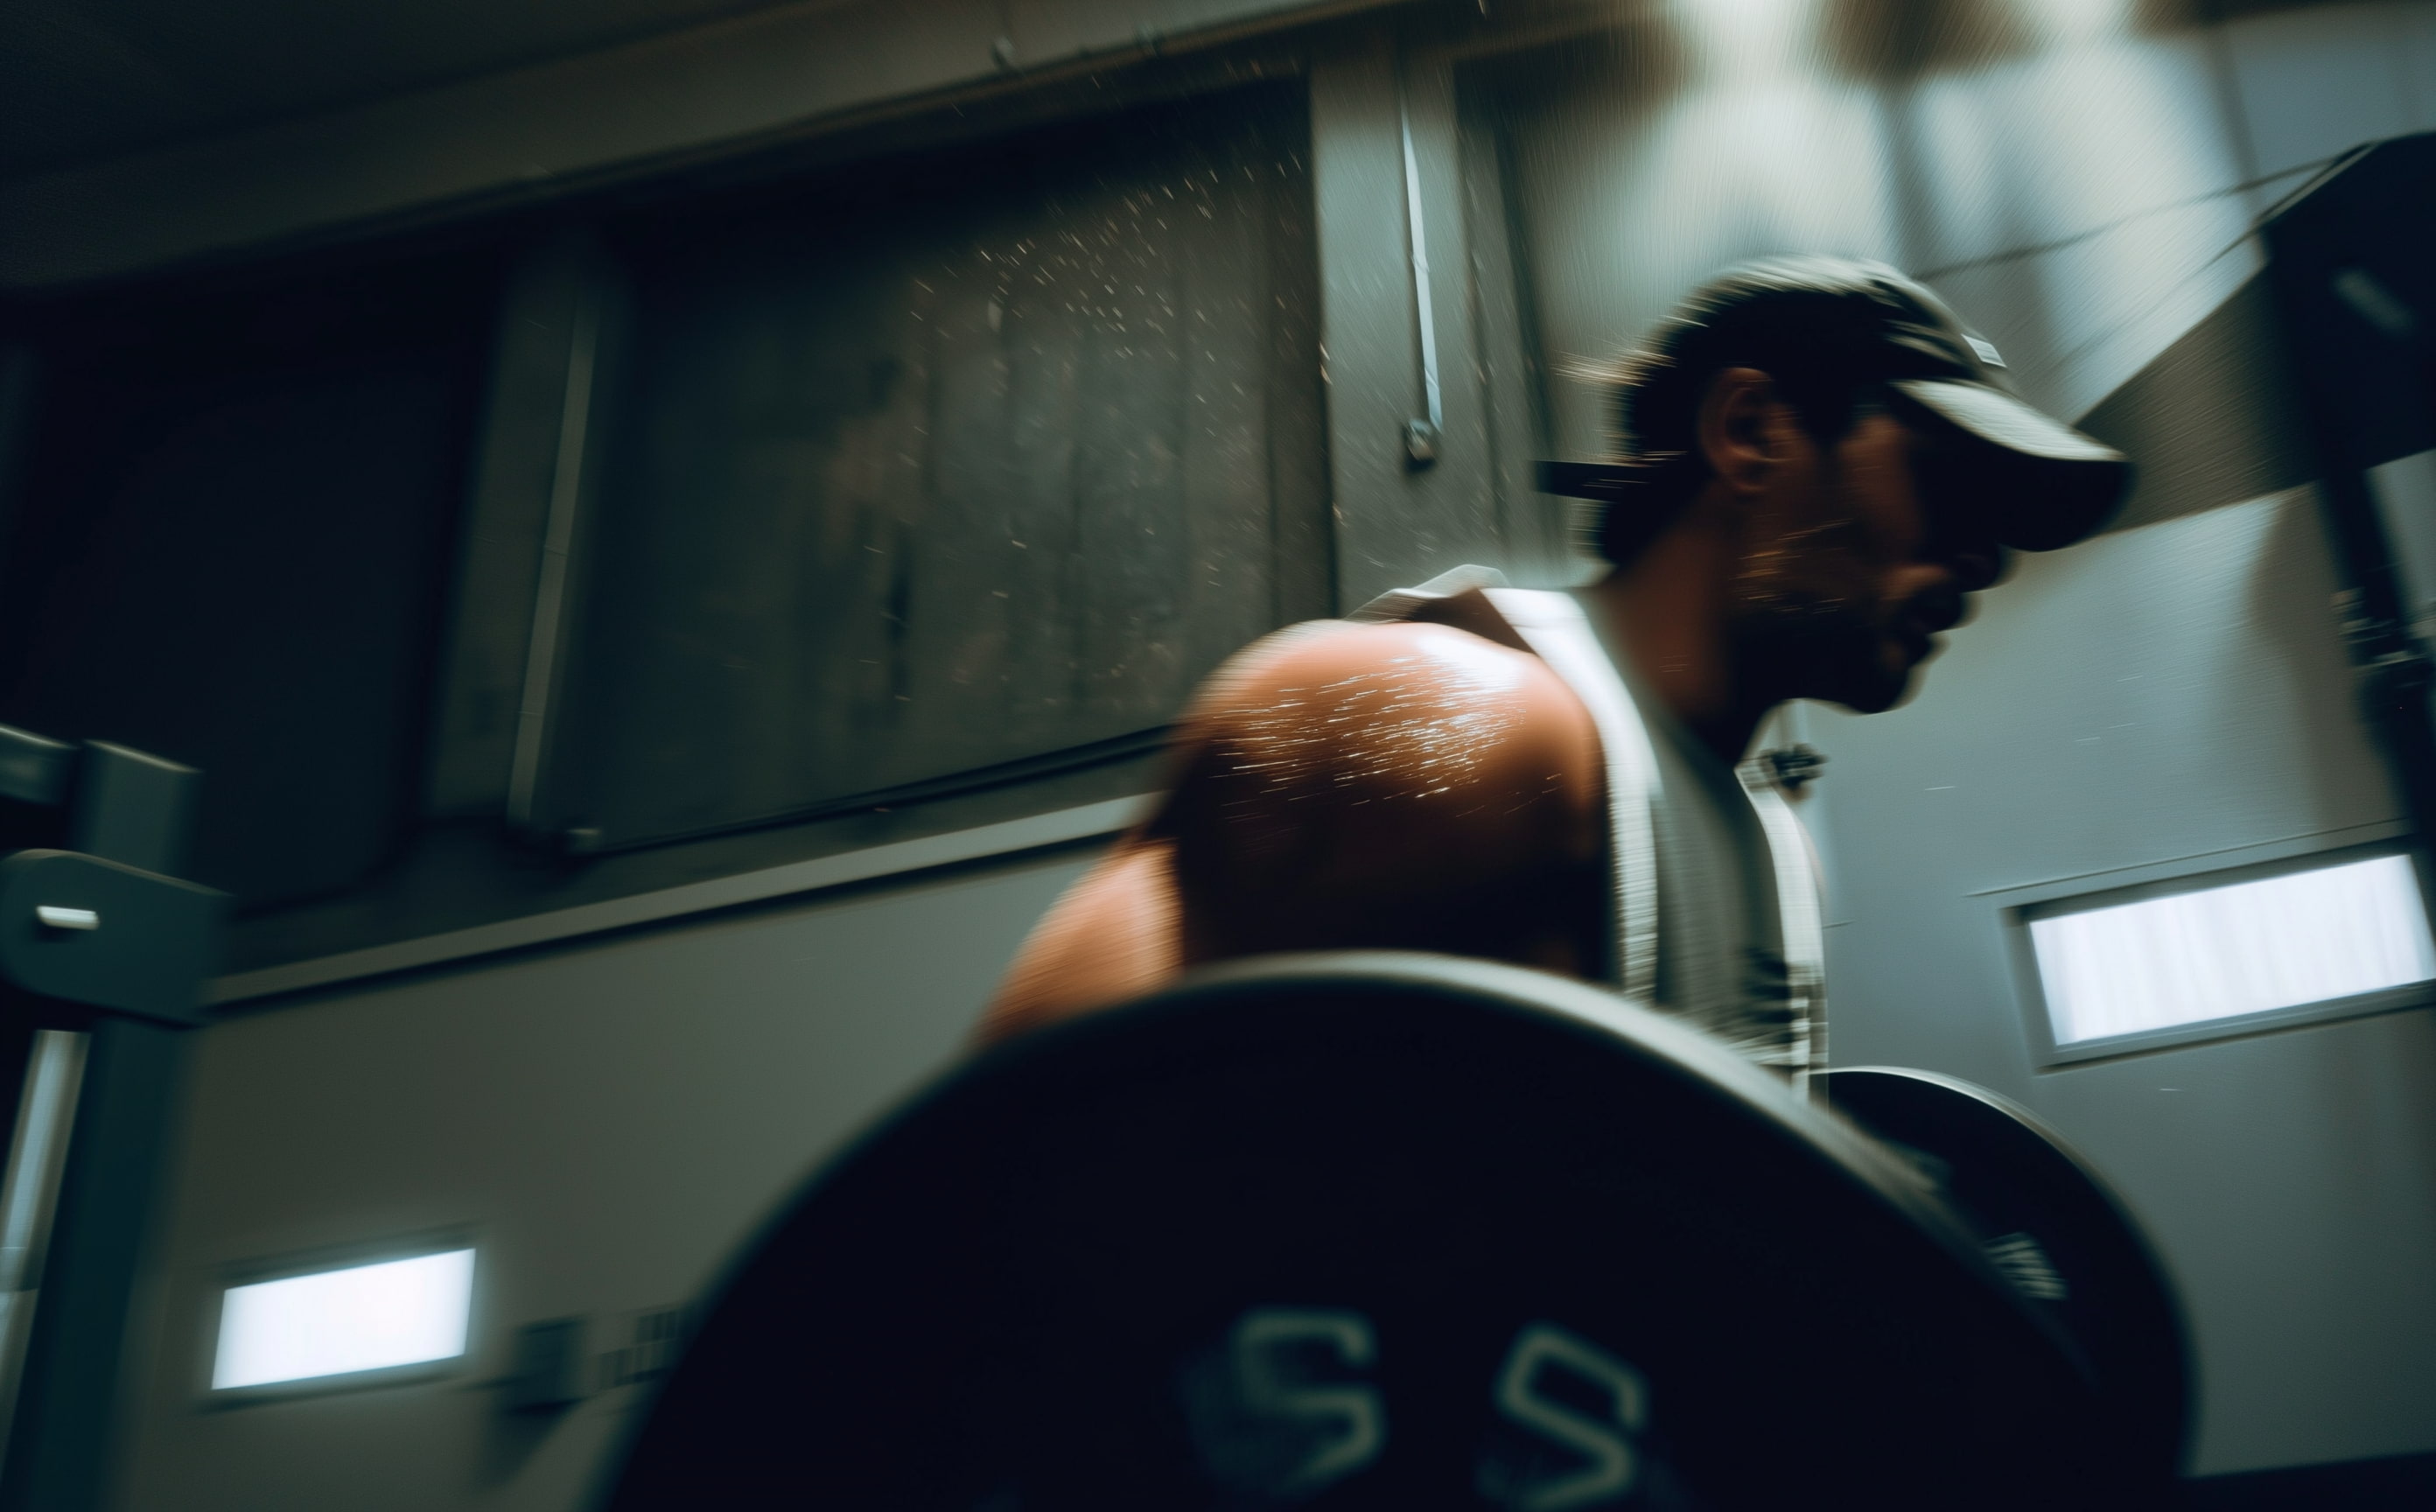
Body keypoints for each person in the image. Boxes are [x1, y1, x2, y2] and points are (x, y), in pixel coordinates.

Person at [977, 256, 2129, 1084]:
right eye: (1948, 485)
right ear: (1753, 434)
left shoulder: (1774, 851)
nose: (1984, 560)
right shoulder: (1466, 719)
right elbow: (996, 1176)